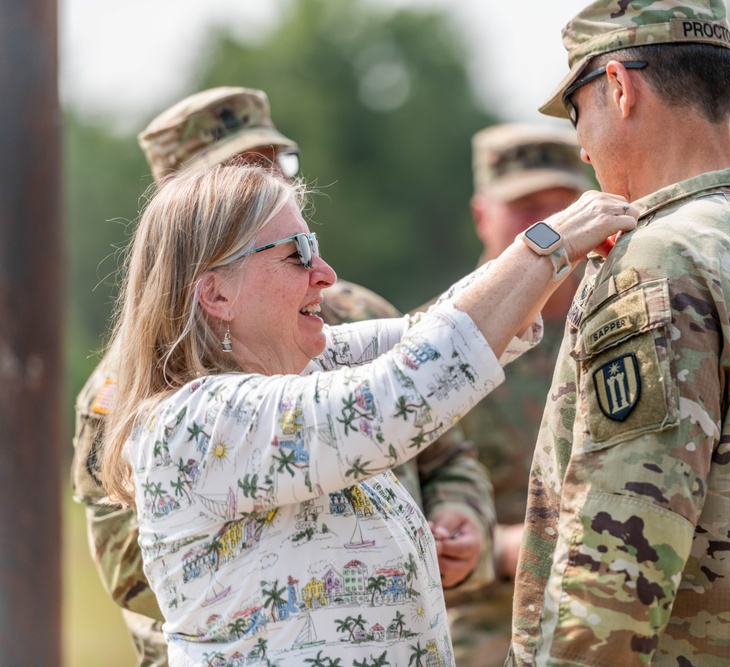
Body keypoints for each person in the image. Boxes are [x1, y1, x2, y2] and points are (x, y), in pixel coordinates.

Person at [97, 163, 634, 665]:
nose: (325, 274)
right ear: (216, 293)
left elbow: (437, 333)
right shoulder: (192, 426)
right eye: (296, 253)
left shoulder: (303, 368)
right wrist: (547, 247)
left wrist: (546, 259)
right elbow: (400, 393)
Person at [69, 87, 492, 666]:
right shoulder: (137, 392)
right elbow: (131, 564)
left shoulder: (354, 312)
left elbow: (443, 444)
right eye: (239, 175)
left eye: (275, 164)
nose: (270, 185)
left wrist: (457, 520)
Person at [508, 2, 730, 666]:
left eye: (578, 111)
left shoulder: (660, 259)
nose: (581, 147)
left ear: (619, 85)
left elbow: (614, 571)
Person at [444, 123, 591, 666]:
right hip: (487, 612)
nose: (552, 226)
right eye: (528, 208)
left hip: (615, 600)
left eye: (565, 206)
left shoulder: (622, 318)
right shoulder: (440, 342)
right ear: (483, 215)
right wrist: (501, 547)